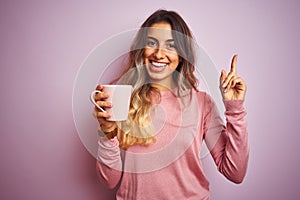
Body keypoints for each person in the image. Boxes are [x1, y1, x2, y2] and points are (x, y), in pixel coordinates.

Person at [93, 9, 249, 200]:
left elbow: (235, 172)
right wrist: (107, 133)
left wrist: (235, 108)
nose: (159, 54)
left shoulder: (202, 103)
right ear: (142, 50)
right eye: (152, 43)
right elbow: (109, 180)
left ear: (182, 54)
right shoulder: (123, 99)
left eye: (170, 46)